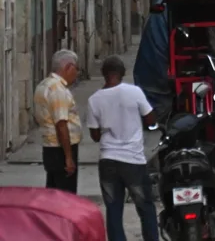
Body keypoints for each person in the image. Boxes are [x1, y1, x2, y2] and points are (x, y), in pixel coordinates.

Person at [86, 55, 159, 241]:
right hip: (133, 160)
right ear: (123, 73)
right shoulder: (134, 92)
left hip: (108, 160)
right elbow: (151, 119)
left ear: (103, 74)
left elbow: (94, 136)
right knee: (145, 207)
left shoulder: (94, 100)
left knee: (113, 210)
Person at [33, 49, 82, 193]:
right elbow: (61, 124)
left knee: (53, 192)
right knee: (66, 194)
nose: (77, 74)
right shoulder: (57, 89)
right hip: (60, 149)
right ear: (68, 67)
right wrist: (68, 157)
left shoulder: (44, 85)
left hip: (49, 147)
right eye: (76, 69)